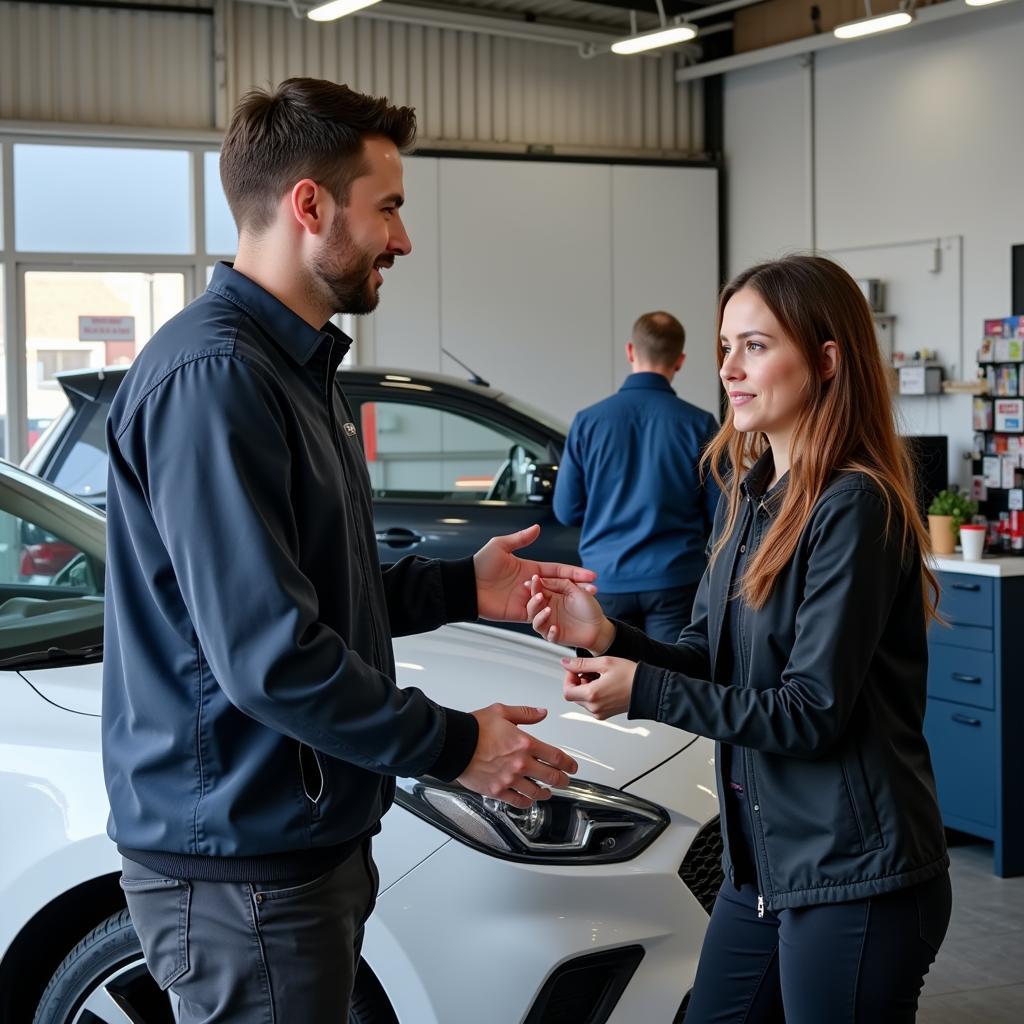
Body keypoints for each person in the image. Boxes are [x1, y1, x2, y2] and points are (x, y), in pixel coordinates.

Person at [102, 78, 593, 1023]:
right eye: (390, 208)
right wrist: (456, 745)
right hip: (242, 862)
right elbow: (271, 657)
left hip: (291, 843)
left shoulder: (294, 366)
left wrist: (459, 584)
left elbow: (312, 588)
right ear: (310, 205)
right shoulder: (218, 380)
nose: (403, 241)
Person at [527, 255, 952, 1023]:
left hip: (853, 875)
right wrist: (612, 637)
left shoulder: (854, 506)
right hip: (761, 866)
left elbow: (809, 712)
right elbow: (711, 658)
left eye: (755, 346)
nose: (729, 368)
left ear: (826, 361)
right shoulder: (746, 495)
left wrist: (642, 690)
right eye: (726, 347)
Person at [553, 311, 719, 642]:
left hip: (606, 579)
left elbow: (567, 509)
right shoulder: (700, 424)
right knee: (670, 682)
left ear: (631, 351)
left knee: (603, 684)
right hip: (675, 580)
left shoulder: (588, 421)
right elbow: (720, 513)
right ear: (680, 360)